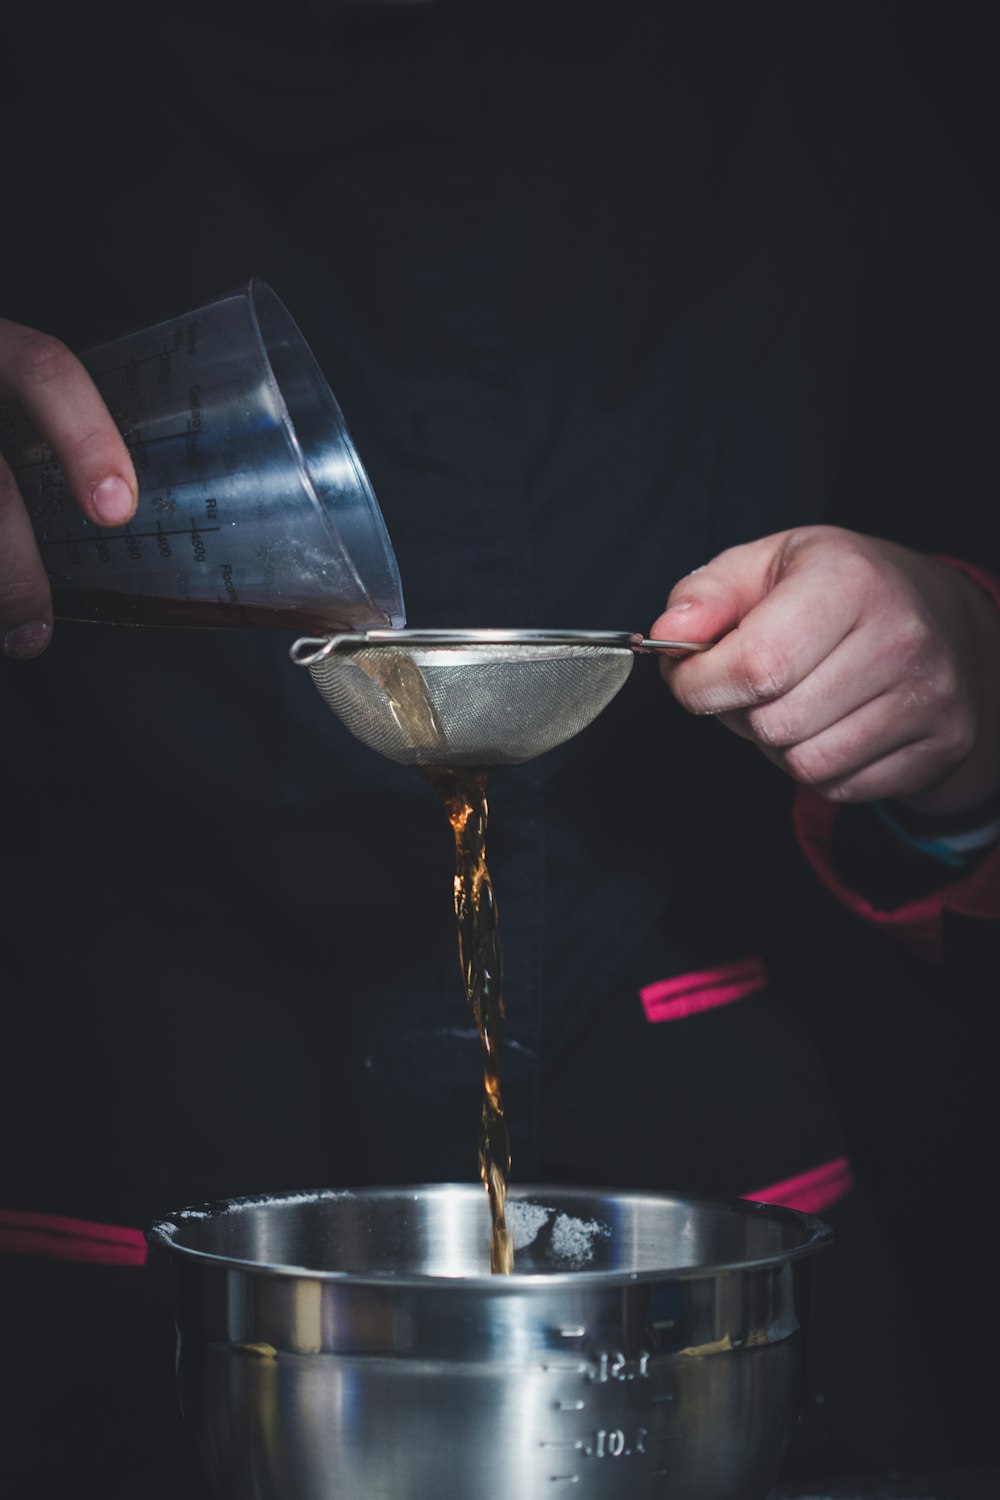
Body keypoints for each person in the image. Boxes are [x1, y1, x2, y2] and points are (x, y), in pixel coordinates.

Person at [2, 1, 998, 1493]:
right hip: (112, 1210)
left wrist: (961, 663)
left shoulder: (827, 53)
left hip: (699, 1209)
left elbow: (955, 481)